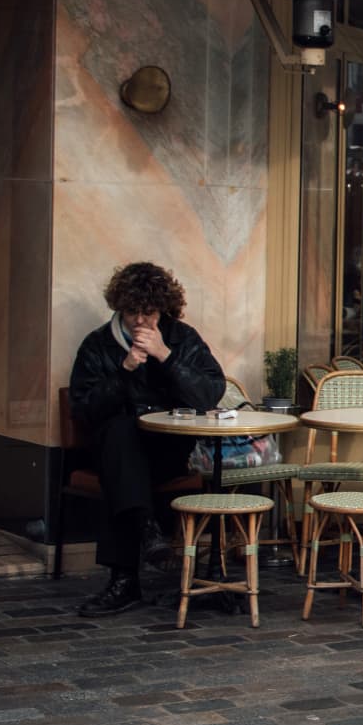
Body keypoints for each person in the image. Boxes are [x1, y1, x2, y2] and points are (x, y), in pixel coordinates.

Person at [68, 262, 226, 618]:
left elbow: (210, 393)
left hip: (168, 451)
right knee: (121, 438)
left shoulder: (181, 338)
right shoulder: (98, 345)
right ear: (120, 309)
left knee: (123, 476)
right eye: (132, 312)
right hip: (118, 452)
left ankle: (124, 581)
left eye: (149, 313)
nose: (141, 321)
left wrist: (165, 357)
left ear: (163, 310)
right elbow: (84, 409)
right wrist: (124, 371)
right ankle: (147, 530)